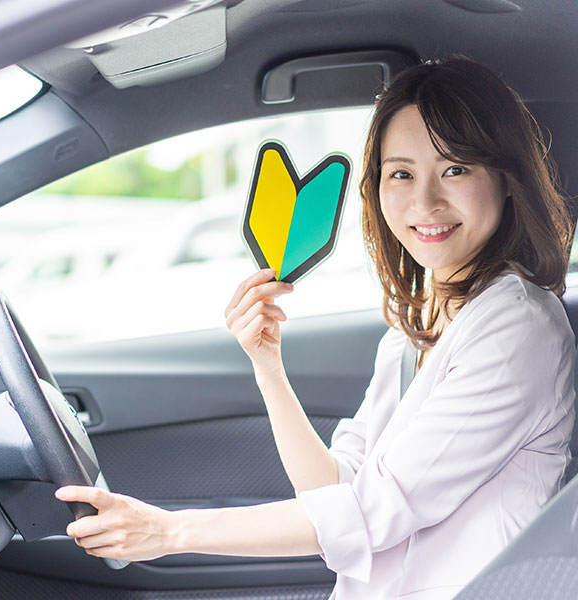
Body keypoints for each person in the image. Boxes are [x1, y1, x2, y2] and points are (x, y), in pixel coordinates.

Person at [55, 57, 576, 599]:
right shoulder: (415, 323)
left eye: (456, 169)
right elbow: (333, 487)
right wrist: (268, 368)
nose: (425, 202)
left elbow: (370, 511)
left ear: (506, 179)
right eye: (401, 173)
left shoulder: (516, 327)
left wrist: (170, 531)